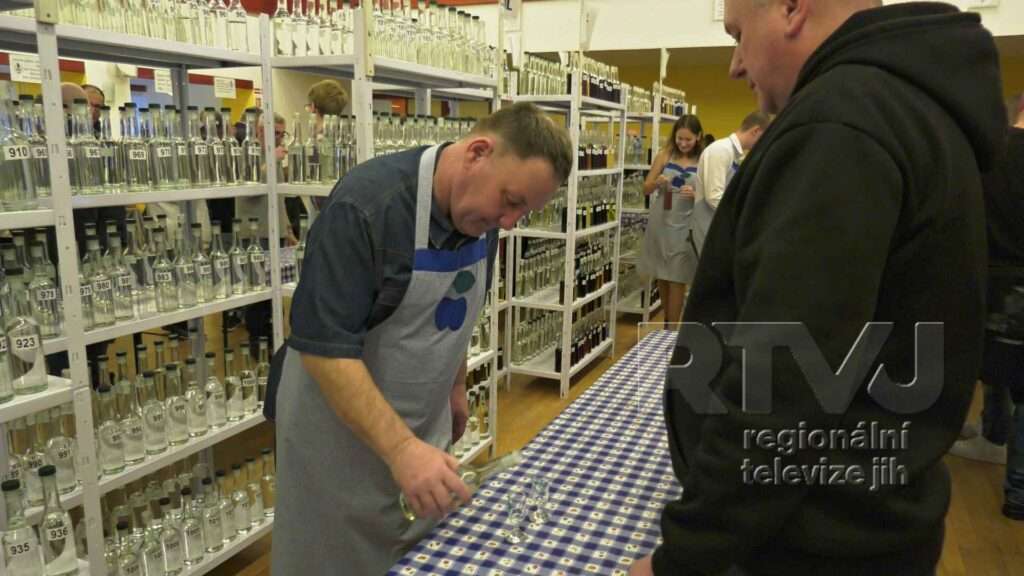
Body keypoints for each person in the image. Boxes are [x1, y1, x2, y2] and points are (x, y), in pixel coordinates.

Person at [631, 1, 1005, 575]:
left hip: (809, 537)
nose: (735, 64)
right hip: (871, 514)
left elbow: (781, 379)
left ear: (791, 7)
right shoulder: (907, 107)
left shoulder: (840, 122)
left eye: (738, 34)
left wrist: (687, 555)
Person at [268, 102, 571, 575]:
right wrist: (402, 450)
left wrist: (455, 383)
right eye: (511, 201)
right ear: (477, 152)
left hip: (418, 437)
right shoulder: (367, 208)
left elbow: (457, 306)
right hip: (335, 449)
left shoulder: (482, 217)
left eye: (524, 211)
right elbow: (325, 351)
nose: (511, 222)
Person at [950, 92, 1024, 520]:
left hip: (987, 277)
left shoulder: (987, 156)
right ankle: (1019, 490)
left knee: (994, 362)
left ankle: (993, 434)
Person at [638, 115, 704, 328]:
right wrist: (657, 183)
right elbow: (645, 188)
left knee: (678, 275)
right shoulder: (664, 155)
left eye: (688, 139)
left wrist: (697, 194)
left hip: (687, 222)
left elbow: (713, 192)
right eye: (679, 139)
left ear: (698, 137)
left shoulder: (704, 159)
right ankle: (668, 324)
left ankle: (673, 328)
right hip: (662, 219)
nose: (683, 143)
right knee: (663, 274)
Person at [691, 111, 769, 255]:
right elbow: (714, 196)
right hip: (709, 226)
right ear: (756, 131)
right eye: (764, 138)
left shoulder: (735, 154)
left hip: (720, 226)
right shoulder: (720, 150)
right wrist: (743, 216)